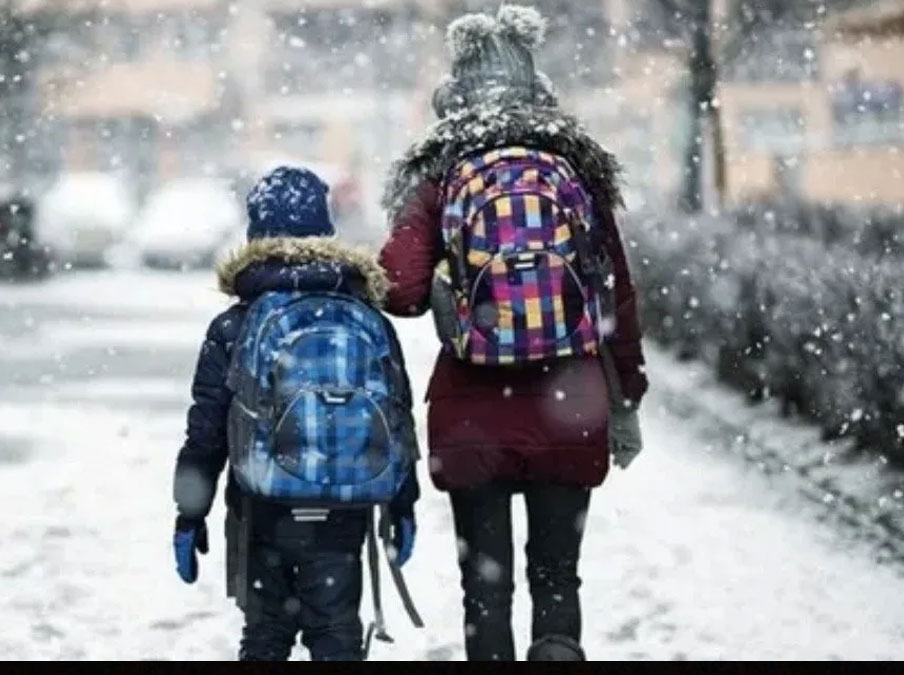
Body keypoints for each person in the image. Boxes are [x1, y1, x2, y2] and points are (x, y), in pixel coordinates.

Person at [377, 4, 648, 662]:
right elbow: (615, 295)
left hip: (472, 412)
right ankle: (556, 649)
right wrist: (626, 396)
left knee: (485, 588)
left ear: (456, 92)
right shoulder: (576, 171)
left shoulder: (440, 176)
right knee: (556, 575)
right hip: (570, 402)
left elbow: (401, 289)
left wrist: (448, 287)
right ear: (536, 85)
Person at [172, 166, 421, 661]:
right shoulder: (364, 314)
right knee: (337, 632)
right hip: (345, 505)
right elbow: (397, 416)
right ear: (325, 231)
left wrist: (189, 513)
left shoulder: (235, 323)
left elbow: (206, 431)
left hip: (262, 505)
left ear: (255, 233)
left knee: (266, 634)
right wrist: (403, 501)